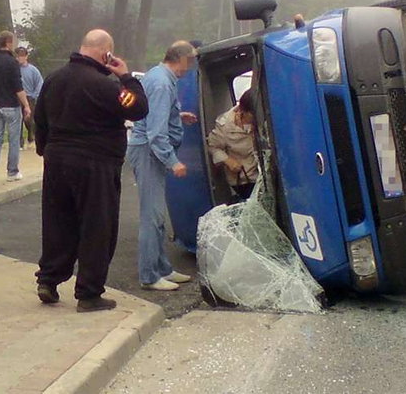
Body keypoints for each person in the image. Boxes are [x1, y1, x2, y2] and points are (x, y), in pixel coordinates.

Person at [34, 29, 148, 312]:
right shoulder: (106, 86)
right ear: (105, 54)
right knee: (97, 227)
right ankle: (89, 293)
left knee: (58, 223)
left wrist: (45, 149)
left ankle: (48, 280)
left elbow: (40, 118)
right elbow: (138, 108)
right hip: (95, 164)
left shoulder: (54, 79)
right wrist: (126, 76)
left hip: (57, 160)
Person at [127, 41, 198, 292]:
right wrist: (173, 161)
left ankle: (163, 269)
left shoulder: (160, 77)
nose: (189, 69)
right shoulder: (161, 83)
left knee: (157, 215)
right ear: (179, 59)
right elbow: (155, 133)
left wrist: (178, 116)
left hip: (149, 151)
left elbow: (153, 114)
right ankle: (149, 276)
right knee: (152, 215)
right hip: (149, 152)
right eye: (189, 63)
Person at [0, 31, 31, 183]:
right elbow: (18, 87)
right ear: (8, 43)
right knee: (14, 139)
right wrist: (26, 105)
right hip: (12, 106)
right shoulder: (12, 63)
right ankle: (12, 172)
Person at [207, 89, 259, 202]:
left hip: (263, 173)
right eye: (253, 115)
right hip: (245, 179)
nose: (256, 117)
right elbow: (212, 146)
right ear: (243, 111)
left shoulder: (263, 118)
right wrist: (228, 160)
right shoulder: (225, 125)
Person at [15, 47, 43, 149]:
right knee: (18, 120)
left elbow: (39, 83)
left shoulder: (33, 70)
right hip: (16, 97)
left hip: (29, 97)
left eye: (22, 56)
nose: (20, 58)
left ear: (26, 56)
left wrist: (35, 95)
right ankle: (19, 143)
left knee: (28, 120)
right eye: (18, 56)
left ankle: (31, 135)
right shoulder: (14, 69)